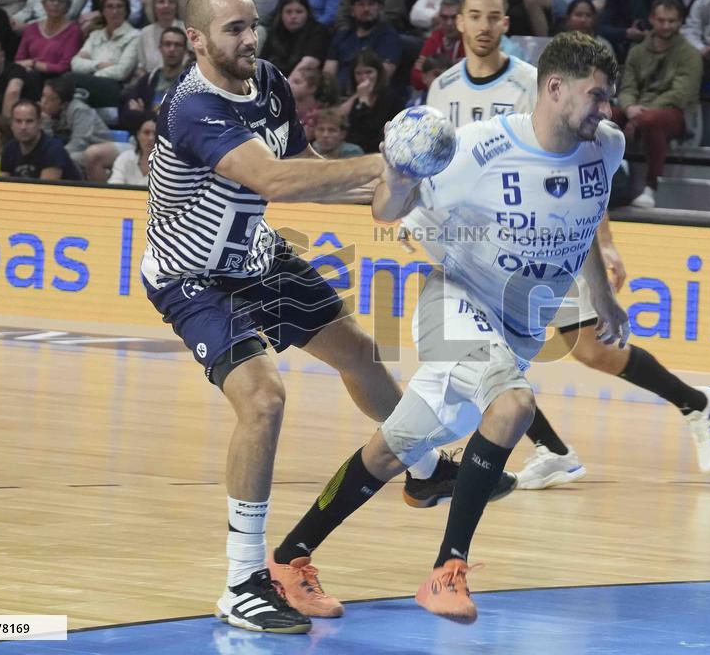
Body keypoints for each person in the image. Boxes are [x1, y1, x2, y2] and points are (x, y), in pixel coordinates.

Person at [267, 31, 629, 626]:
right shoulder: (480, 149)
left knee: (394, 450)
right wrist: (403, 177)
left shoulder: (605, 147)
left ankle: (288, 560)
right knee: (513, 405)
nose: (605, 110)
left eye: (609, 98)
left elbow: (584, 216)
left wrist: (601, 295)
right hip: (456, 304)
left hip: (517, 330)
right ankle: (446, 571)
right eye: (596, 96)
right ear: (555, 88)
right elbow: (386, 210)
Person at [143, 0, 464, 635]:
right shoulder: (192, 108)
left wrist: (393, 189)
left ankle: (425, 473)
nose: (249, 39)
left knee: (358, 354)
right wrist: (386, 158)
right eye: (232, 30)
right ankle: (241, 584)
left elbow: (304, 165)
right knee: (263, 399)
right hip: (192, 275)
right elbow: (273, 181)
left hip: (255, 254)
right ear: (197, 41)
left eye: (252, 25)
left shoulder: (267, 82)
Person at [423, 0, 710, 494]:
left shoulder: (538, 82)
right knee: (479, 351)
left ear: (505, 24)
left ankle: (696, 403)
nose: (482, 25)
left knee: (591, 349)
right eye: (473, 15)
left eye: (493, 16)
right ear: (458, 21)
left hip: (548, 240)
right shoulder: (442, 90)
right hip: (485, 250)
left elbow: (581, 173)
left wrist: (603, 243)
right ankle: (553, 449)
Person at [614, 0, 701, 209]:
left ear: (680, 22)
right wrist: (628, 107)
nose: (666, 25)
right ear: (652, 19)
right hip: (637, 109)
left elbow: (680, 94)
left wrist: (639, 115)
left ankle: (651, 186)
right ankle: (608, 179)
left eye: (672, 21)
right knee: (606, 116)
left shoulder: (690, 54)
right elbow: (627, 87)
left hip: (675, 113)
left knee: (651, 120)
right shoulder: (637, 51)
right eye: (661, 20)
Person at [323, 0, 401, 94]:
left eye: (371, 4)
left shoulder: (389, 37)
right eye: (361, 4)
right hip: (338, 96)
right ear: (352, 11)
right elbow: (328, 73)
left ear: (380, 8)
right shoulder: (342, 35)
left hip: (370, 97)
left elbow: (382, 78)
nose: (366, 9)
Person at [70, 0, 140, 106]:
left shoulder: (135, 36)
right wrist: (99, 65)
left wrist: (91, 71)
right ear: (103, 11)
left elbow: (122, 72)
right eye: (110, 7)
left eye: (119, 7)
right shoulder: (95, 35)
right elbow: (75, 63)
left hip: (114, 87)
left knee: (69, 79)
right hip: (90, 83)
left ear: (126, 10)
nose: (115, 11)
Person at [119, 25, 188, 127]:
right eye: (167, 44)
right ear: (160, 48)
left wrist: (144, 114)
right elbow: (127, 115)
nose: (172, 49)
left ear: (185, 51)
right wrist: (154, 115)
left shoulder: (191, 82)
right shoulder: (148, 80)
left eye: (177, 45)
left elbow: (181, 121)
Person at [338, 48, 404, 153]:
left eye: (369, 72)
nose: (364, 77)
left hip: (378, 151)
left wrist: (364, 101)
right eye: (358, 73)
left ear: (378, 73)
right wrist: (358, 96)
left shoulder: (391, 98)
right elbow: (339, 118)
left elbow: (371, 131)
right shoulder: (355, 98)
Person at [0, 98, 81, 179]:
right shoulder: (9, 149)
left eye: (29, 121)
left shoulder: (53, 149)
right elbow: (3, 187)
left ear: (39, 123)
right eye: (18, 121)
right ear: (11, 124)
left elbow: (44, 189)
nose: (23, 127)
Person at [14, 0, 84, 79]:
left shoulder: (74, 31)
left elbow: (64, 67)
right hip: (29, 74)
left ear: (67, 7)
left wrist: (33, 64)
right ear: (44, 4)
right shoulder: (31, 28)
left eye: (61, 1)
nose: (55, 4)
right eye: (51, 0)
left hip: (56, 79)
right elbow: (19, 60)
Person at [260, 0, 331, 76]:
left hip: (302, 81)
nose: (293, 16)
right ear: (281, 14)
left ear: (307, 14)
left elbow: (309, 64)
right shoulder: (275, 30)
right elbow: (262, 61)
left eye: (299, 12)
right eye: (288, 12)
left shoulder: (318, 31)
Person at [136, 0, 185, 75]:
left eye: (171, 2)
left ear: (177, 6)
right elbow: (141, 68)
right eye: (161, 2)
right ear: (153, 6)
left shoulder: (187, 30)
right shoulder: (145, 33)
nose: (166, 5)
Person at [108, 115, 155, 184]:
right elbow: (114, 185)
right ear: (138, 135)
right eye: (146, 133)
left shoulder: (167, 164)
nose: (151, 138)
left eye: (155, 133)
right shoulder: (125, 158)